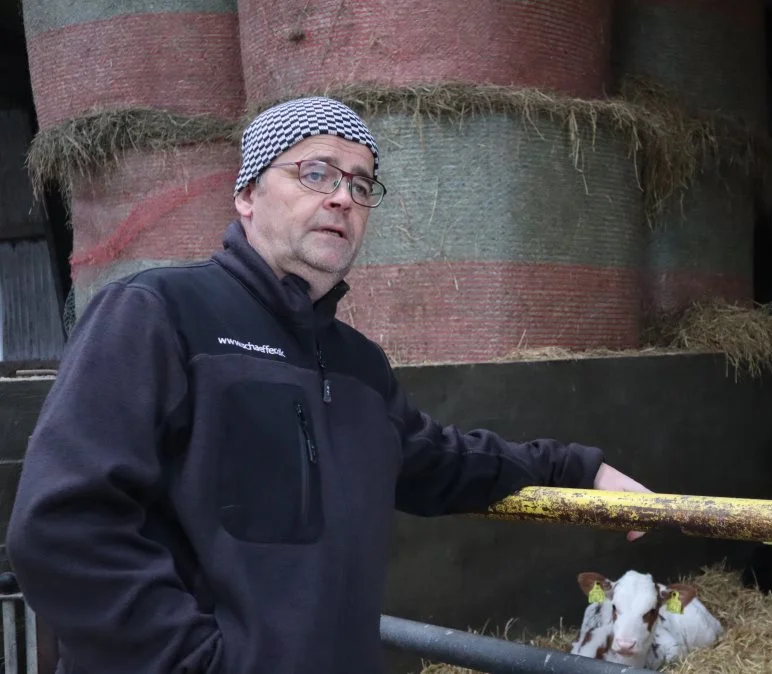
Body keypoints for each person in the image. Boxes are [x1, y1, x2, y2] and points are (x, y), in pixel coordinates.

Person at [6, 96, 652, 674]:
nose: (342, 197)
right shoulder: (160, 314)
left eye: (361, 184)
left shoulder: (356, 367)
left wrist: (579, 469)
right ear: (248, 195)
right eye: (314, 172)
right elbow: (63, 525)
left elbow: (445, 462)